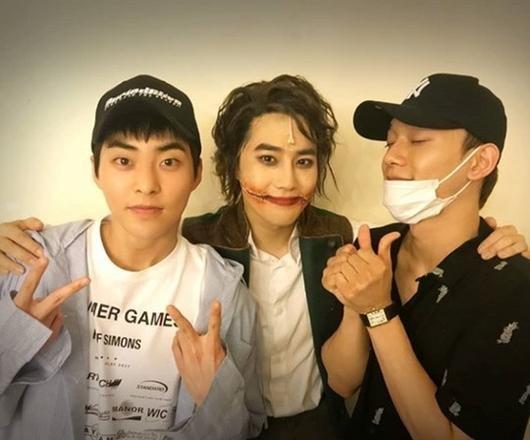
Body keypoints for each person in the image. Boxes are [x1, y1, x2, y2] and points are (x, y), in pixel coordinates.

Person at [0, 74, 528, 439]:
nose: (286, 181)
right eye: (268, 159)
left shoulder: (342, 239)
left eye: (305, 161)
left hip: (318, 426)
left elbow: (347, 372)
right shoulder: (197, 243)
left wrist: (502, 242)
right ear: (232, 166)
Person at [0, 74, 265, 440]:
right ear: (96, 169)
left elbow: (248, 429)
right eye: (124, 160)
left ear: (197, 173)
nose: (146, 184)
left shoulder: (224, 292)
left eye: (169, 162)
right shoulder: (31, 262)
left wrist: (215, 399)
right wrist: (14, 340)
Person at [322, 73, 530, 439]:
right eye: (390, 142)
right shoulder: (376, 245)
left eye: (418, 141)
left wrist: (378, 311)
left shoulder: (514, 289)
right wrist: (356, 302)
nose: (391, 157)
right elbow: (341, 382)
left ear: (480, 162)